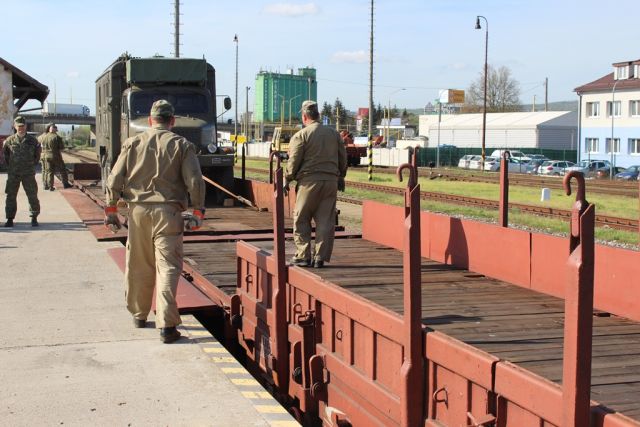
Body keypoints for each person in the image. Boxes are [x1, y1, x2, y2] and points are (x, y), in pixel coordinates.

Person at [104, 100, 205, 344]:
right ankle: (167, 326)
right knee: (167, 266)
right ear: (172, 121)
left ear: (150, 120)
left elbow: (114, 177)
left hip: (137, 213)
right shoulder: (182, 145)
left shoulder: (133, 143)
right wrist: (198, 212)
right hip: (168, 214)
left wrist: (111, 210)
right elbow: (195, 181)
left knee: (138, 263)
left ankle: (139, 315)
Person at [285, 100, 347, 268]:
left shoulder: (301, 135)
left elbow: (294, 161)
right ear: (318, 115)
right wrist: (341, 176)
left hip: (308, 183)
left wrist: (287, 178)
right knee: (326, 220)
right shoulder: (334, 134)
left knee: (301, 218)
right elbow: (343, 157)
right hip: (330, 182)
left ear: (304, 117)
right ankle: (320, 257)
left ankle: (303, 255)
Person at [3, 116, 41, 227]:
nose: (21, 128)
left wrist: (30, 165)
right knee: (11, 195)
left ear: (26, 126)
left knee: (32, 195)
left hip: (28, 173)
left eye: (23, 126)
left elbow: (37, 156)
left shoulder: (33, 141)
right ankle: (10, 218)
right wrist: (12, 166)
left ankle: (34, 217)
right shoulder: (9, 141)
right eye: (18, 126)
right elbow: (6, 155)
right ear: (15, 127)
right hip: (13, 173)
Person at [40, 123, 72, 190]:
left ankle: (49, 186)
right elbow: (61, 147)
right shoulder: (57, 137)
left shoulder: (44, 136)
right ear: (54, 130)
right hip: (55, 156)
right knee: (62, 170)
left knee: (49, 171)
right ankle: (65, 184)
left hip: (45, 156)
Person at [37, 122, 53, 189]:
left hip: (42, 155)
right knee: (49, 171)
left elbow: (37, 147)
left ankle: (44, 185)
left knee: (43, 170)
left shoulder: (40, 137)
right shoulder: (51, 137)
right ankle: (50, 185)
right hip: (49, 155)